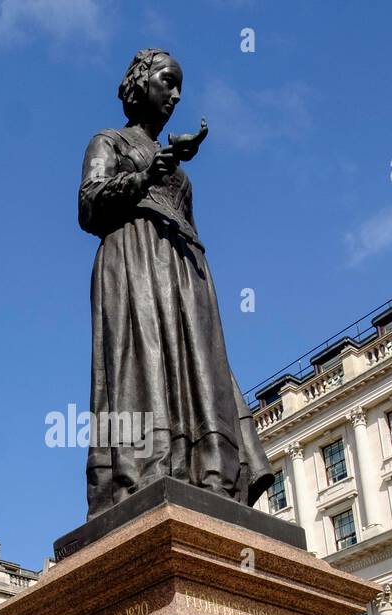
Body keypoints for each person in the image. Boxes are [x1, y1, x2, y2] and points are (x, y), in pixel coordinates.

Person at [79, 49, 270, 518]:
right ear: (141, 83)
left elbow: (186, 221)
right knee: (142, 362)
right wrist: (149, 173)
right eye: (168, 81)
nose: (176, 94)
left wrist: (167, 169)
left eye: (180, 85)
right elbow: (89, 206)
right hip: (135, 261)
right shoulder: (108, 142)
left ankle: (208, 473)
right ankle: (144, 470)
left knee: (200, 369)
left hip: (185, 272)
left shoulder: (178, 170)